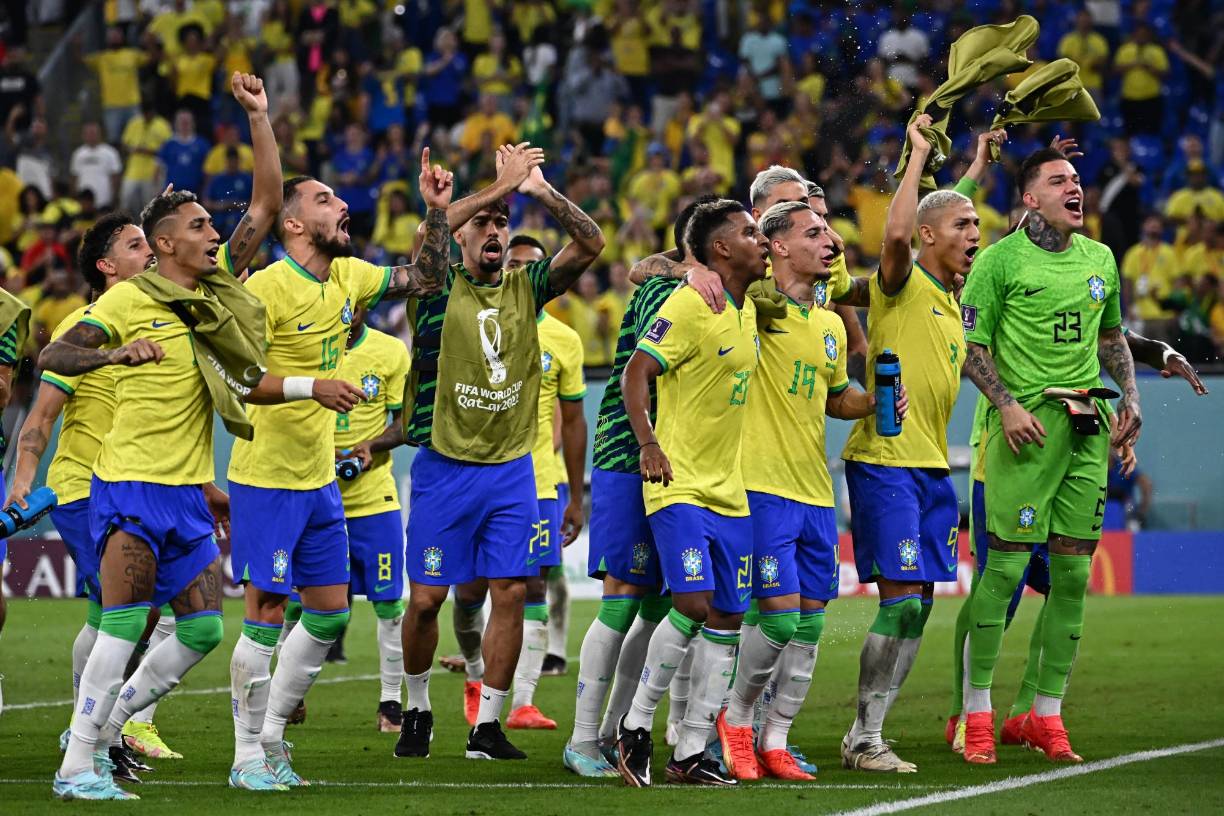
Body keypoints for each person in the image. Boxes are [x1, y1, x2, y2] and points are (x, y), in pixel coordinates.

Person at [41, 73, 288, 803]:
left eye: (217, 226)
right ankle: (75, 767)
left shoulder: (213, 290)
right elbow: (56, 356)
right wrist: (114, 354)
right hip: (128, 484)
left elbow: (268, 203)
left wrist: (259, 117)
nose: (217, 233)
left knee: (204, 632)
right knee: (121, 626)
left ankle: (107, 722)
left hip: (183, 491)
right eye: (203, 226)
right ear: (164, 242)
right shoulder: (128, 297)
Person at [226, 150, 453, 789]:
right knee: (268, 609)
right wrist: (311, 387)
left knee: (327, 613)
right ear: (293, 223)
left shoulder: (349, 275)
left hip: (320, 480)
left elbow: (428, 277)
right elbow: (241, 379)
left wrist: (435, 212)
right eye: (325, 200)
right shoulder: (265, 288)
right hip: (268, 475)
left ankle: (270, 737)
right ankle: (246, 754)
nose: (341, 205)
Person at [394, 144, 603, 762]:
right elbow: (422, 252)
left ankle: (488, 725)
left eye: (502, 223)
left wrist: (537, 190)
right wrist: (489, 190)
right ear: (459, 237)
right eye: (482, 224)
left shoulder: (526, 288)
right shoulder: (434, 290)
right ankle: (416, 706)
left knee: (511, 592)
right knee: (428, 599)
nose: (493, 230)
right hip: (444, 467)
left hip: (512, 471)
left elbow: (590, 245)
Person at [960, 146, 1142, 765]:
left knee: (1071, 577)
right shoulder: (998, 261)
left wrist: (1132, 400)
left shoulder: (1101, 259)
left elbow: (1111, 337)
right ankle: (978, 714)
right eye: (1059, 179)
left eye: (1077, 179)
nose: (1076, 187)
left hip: (1087, 428)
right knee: (1005, 572)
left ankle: (1046, 717)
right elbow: (970, 346)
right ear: (1029, 198)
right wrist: (1008, 406)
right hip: (1024, 434)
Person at [717, 200, 895, 782]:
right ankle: (735, 722)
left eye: (831, 232)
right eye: (814, 232)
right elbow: (672, 271)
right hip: (761, 486)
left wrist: (869, 404)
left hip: (816, 491)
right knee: (778, 620)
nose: (832, 241)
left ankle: (777, 739)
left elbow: (834, 396)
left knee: (811, 624)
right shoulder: (751, 307)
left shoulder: (828, 326)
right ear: (778, 247)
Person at [6, 213, 184, 767]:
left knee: (124, 614)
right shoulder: (82, 329)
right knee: (127, 610)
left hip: (136, 486)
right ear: (106, 266)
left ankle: (94, 728)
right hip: (83, 489)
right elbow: (40, 417)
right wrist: (22, 479)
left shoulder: (162, 318)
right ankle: (96, 737)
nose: (149, 251)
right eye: (135, 246)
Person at [839, 114, 976, 774]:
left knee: (919, 607)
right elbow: (900, 230)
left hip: (931, 467)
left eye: (978, 226)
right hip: (885, 463)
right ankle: (864, 737)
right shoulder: (901, 283)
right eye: (963, 227)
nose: (976, 235)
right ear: (927, 239)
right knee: (899, 602)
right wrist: (918, 154)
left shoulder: (951, 300)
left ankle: (872, 729)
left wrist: (975, 165)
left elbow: (932, 219)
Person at [614, 198, 766, 788]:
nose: (762, 240)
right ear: (722, 248)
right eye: (751, 232)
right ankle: (636, 726)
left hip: (730, 489)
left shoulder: (748, 307)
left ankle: (693, 749)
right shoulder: (690, 303)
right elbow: (634, 371)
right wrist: (648, 443)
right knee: (693, 604)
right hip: (678, 482)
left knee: (729, 615)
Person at [562, 196, 716, 778]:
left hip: (684, 466)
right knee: (624, 598)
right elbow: (646, 273)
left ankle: (609, 732)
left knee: (655, 608)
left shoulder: (715, 291)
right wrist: (680, 267)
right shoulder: (672, 291)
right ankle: (581, 738)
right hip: (633, 454)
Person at [447, 234, 589, 731]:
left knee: (533, 584)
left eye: (533, 264)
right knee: (468, 591)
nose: (522, 271)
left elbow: (573, 421)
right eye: (514, 263)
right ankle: (474, 672)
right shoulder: (475, 321)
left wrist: (576, 494)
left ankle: (522, 701)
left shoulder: (565, 340)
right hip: (476, 475)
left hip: (539, 483)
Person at [330, 309, 411, 733]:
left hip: (375, 498)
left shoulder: (390, 351)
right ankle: (286, 700)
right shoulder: (304, 345)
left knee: (389, 606)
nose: (349, 308)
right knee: (294, 604)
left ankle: (391, 704)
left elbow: (406, 422)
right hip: (316, 498)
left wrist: (370, 445)